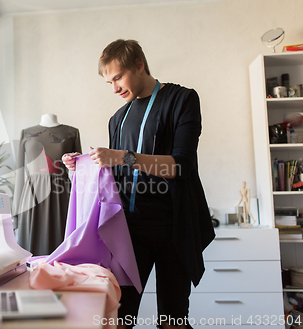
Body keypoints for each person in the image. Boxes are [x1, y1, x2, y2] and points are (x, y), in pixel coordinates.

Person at [62, 39, 215, 329]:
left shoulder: (182, 99)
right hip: (129, 233)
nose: (115, 88)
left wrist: (122, 156)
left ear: (139, 65)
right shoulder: (117, 118)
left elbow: (180, 165)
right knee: (119, 319)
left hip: (174, 227)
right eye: (109, 82)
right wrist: (83, 165)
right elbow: (115, 174)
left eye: (118, 77)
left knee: (173, 319)